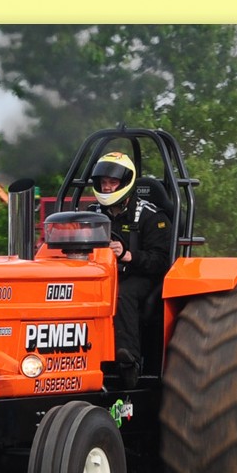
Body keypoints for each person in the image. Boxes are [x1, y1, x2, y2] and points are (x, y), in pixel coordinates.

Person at [90, 151, 171, 388]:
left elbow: (162, 261)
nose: (107, 187)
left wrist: (128, 255)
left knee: (121, 294)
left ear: (125, 183)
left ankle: (128, 363)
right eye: (103, 182)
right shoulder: (92, 215)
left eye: (112, 182)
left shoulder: (151, 216)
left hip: (142, 276)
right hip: (100, 275)